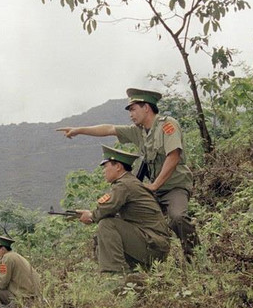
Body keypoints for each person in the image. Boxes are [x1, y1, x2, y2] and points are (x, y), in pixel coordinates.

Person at [57, 88, 200, 259]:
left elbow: (174, 156)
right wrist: (79, 130)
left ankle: (195, 257)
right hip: (154, 190)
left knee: (177, 217)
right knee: (125, 217)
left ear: (146, 107)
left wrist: (154, 185)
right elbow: (109, 129)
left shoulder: (167, 125)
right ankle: (145, 261)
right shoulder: (138, 131)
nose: (131, 114)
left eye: (133, 109)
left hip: (173, 186)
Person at [75, 145, 171, 273]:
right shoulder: (130, 182)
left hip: (154, 246)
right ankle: (133, 272)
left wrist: (91, 216)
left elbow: (106, 209)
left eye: (106, 166)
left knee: (107, 224)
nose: (104, 171)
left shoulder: (124, 185)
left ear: (118, 167)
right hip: (155, 245)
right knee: (109, 226)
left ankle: (117, 274)